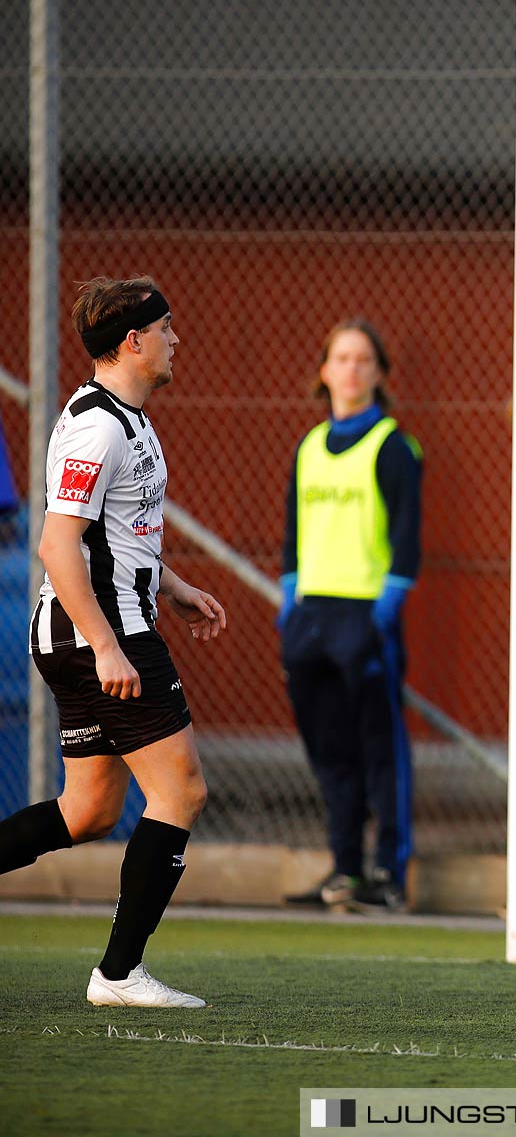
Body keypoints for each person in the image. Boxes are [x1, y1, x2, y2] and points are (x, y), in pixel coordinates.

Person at [0, 276, 227, 1007]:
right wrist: (106, 646)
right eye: (168, 328)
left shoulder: (126, 416)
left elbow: (116, 536)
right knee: (181, 789)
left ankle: (119, 973)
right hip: (99, 633)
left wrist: (173, 586)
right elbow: (57, 546)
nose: (176, 340)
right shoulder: (99, 426)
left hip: (107, 624)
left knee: (89, 811)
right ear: (134, 341)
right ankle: (120, 974)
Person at [279, 321, 423, 914]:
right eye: (342, 358)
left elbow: (407, 541)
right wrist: (290, 607)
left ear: (380, 374)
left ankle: (388, 873)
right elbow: (292, 537)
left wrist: (384, 614)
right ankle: (344, 869)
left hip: (365, 616)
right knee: (329, 750)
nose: (353, 369)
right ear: (324, 371)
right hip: (312, 616)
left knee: (379, 749)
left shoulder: (393, 445)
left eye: (365, 360)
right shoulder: (309, 446)